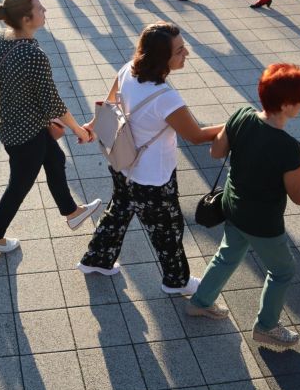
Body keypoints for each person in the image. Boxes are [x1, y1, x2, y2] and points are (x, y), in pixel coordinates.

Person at [188, 63, 300, 351]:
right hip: (263, 222)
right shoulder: (288, 147)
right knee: (282, 271)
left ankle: (200, 302)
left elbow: (216, 152)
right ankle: (266, 327)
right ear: (285, 104)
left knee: (228, 255)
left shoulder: (241, 116)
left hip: (234, 207)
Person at [77, 22, 221, 289]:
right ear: (161, 58)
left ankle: (97, 259)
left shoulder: (127, 71)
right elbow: (196, 136)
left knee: (119, 210)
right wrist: (236, 124)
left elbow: (109, 106)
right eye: (179, 50)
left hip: (122, 164)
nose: (186, 53)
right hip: (153, 177)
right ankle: (177, 281)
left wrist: (91, 127)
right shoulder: (165, 97)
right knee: (168, 230)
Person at [0, 0, 101, 254]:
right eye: (40, 8)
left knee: (55, 160)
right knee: (19, 185)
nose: (45, 11)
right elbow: (52, 102)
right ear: (27, 19)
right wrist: (79, 130)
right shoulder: (33, 55)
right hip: (25, 133)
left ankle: (72, 212)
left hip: (18, 123)